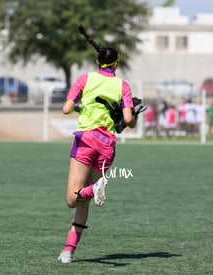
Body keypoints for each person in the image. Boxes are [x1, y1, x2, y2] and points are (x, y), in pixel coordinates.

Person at [57, 27, 139, 264]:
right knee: (83, 200)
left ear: (97, 61)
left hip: (85, 141)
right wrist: (130, 114)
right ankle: (68, 251)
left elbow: (66, 109)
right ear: (116, 64)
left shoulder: (85, 79)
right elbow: (129, 122)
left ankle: (94, 190)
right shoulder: (122, 86)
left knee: (73, 198)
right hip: (107, 146)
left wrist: (83, 105)